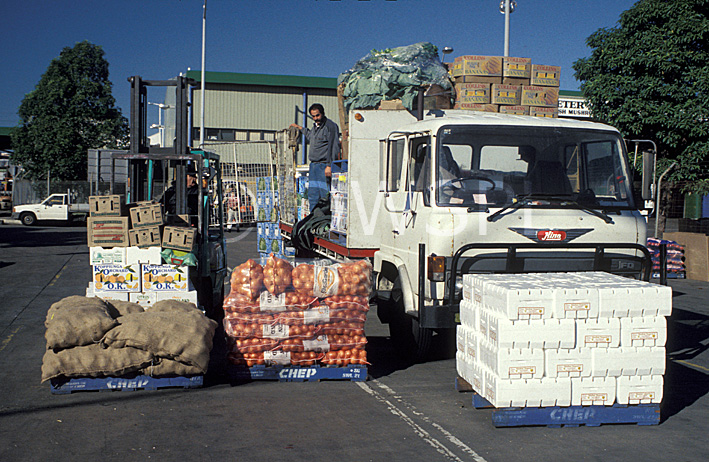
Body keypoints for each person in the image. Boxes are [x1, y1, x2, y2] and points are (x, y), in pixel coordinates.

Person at [290, 103, 340, 212]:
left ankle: (326, 219)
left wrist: (329, 165)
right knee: (313, 195)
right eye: (313, 116)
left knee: (325, 195)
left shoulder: (330, 126)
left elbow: (334, 146)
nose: (315, 118)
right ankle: (314, 220)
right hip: (313, 166)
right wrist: (299, 128)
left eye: (317, 115)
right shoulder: (315, 127)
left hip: (323, 166)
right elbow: (309, 135)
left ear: (323, 113)